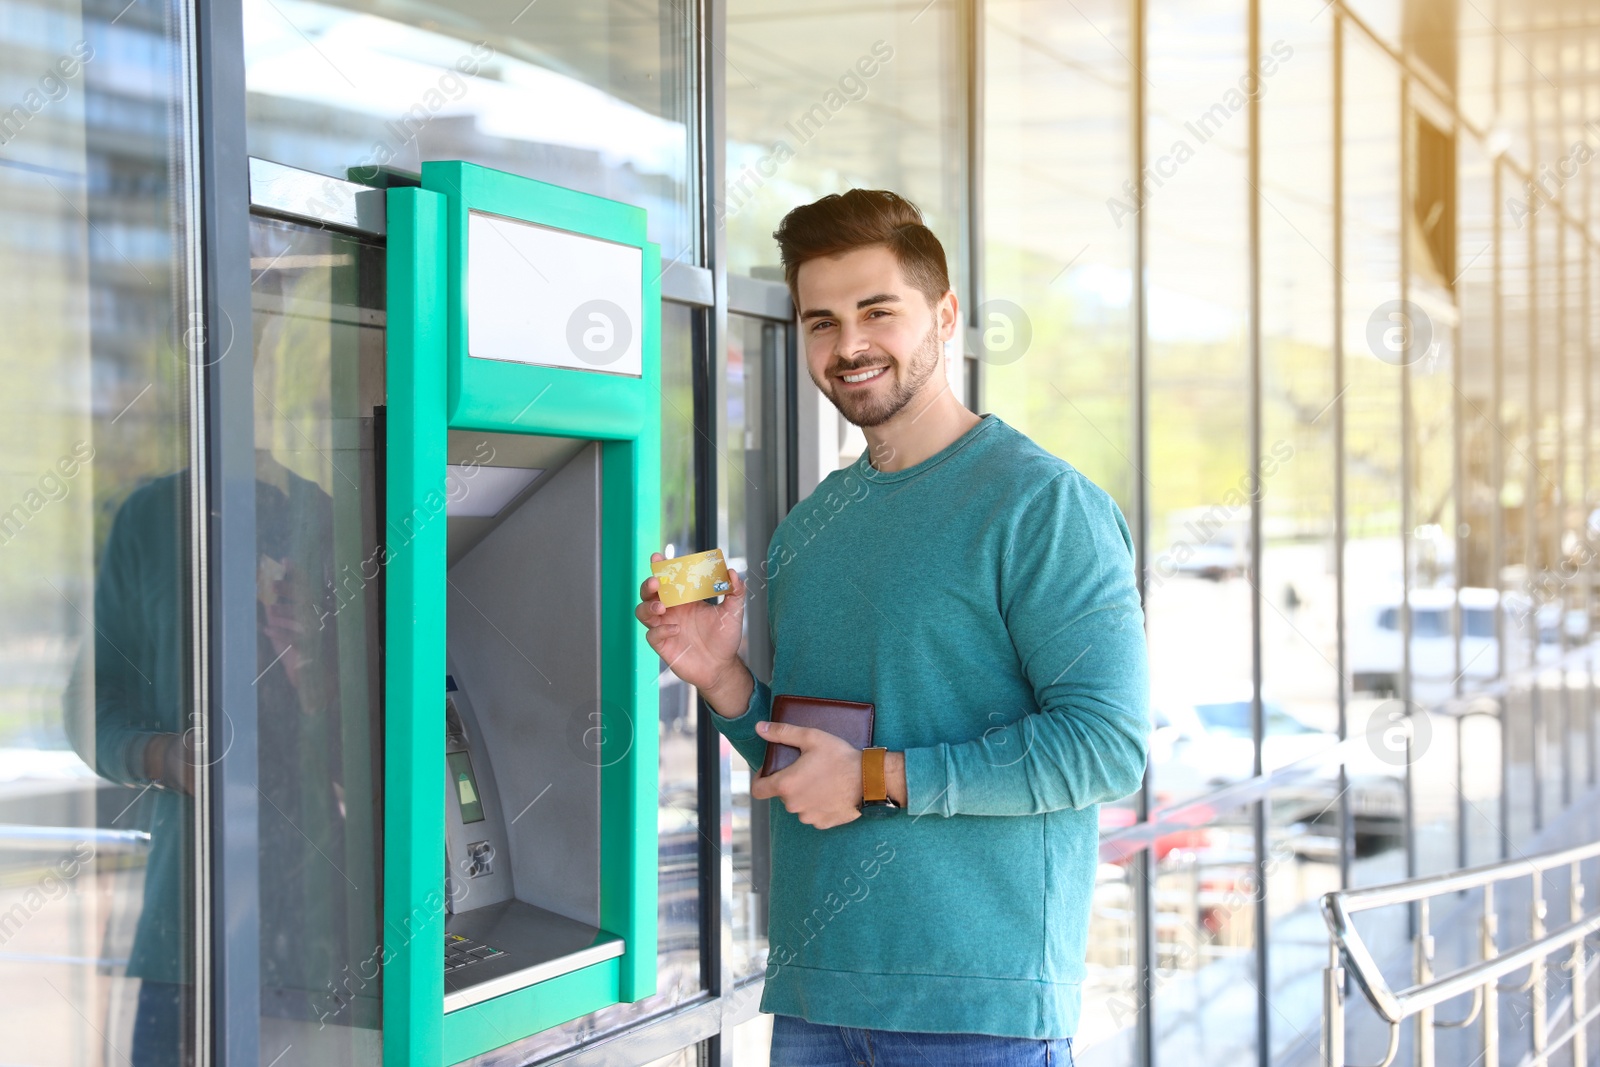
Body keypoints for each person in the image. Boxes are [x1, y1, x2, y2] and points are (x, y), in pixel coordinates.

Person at [635, 189, 1149, 1066]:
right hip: (814, 995)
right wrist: (722, 681)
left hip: (976, 1014)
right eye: (821, 322)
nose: (849, 346)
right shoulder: (809, 528)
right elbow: (811, 769)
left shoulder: (1041, 506)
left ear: (944, 316)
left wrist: (878, 775)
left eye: (878, 311)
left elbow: (1106, 747)